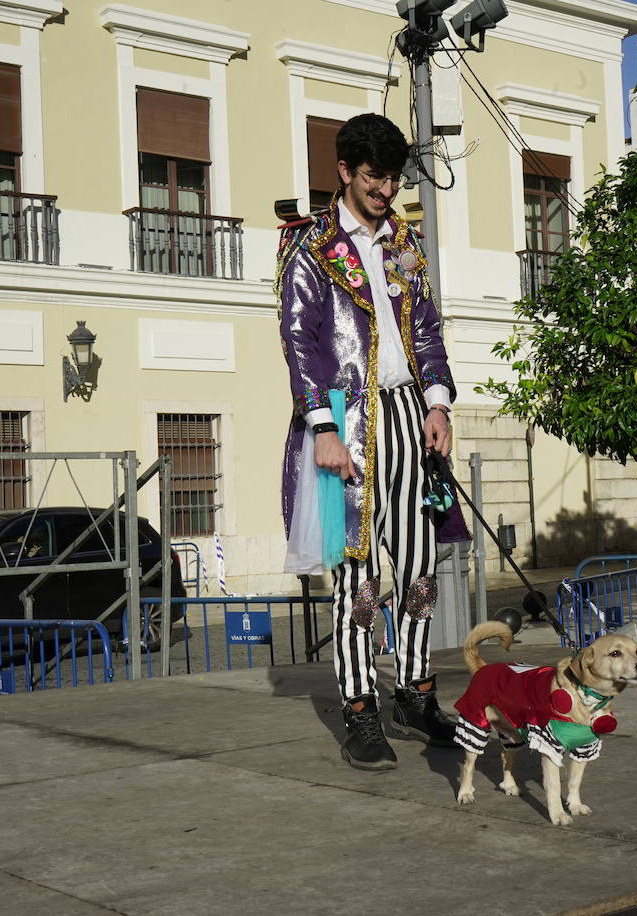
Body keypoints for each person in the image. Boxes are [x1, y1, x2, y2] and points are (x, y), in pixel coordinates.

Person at [276, 113, 467, 770]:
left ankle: (414, 689)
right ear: (344, 174)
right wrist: (321, 427)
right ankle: (360, 707)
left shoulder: (404, 245)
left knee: (419, 567)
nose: (385, 189)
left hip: (412, 419)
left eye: (391, 178)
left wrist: (438, 403)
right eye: (373, 177)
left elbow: (428, 333)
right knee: (358, 578)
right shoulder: (312, 250)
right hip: (349, 425)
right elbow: (300, 343)